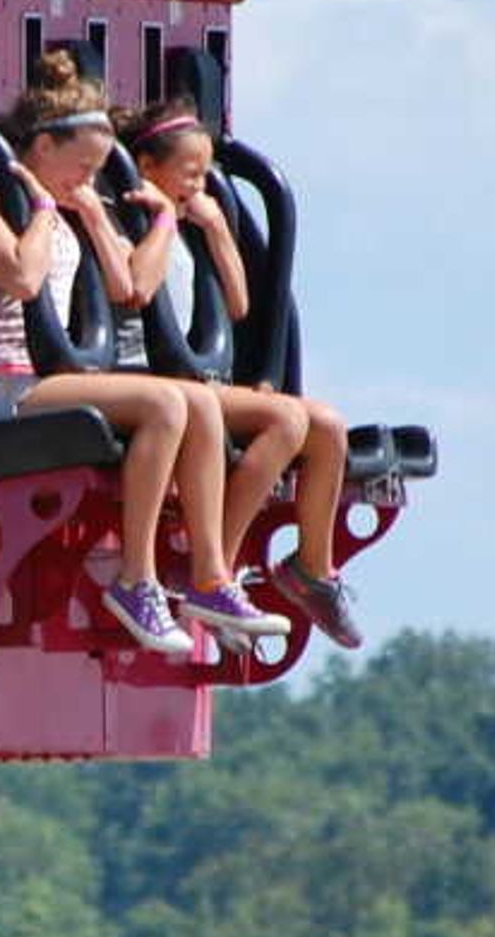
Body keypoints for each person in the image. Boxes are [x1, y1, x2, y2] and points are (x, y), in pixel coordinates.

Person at [0, 73, 265, 659]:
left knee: (195, 400)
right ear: (42, 149)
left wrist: (96, 214)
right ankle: (135, 579)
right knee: (166, 402)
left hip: (47, 378)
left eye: (97, 170)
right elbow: (21, 279)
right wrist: (47, 209)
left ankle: (209, 578)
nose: (87, 181)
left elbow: (128, 286)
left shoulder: (72, 203)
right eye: (81, 167)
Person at [115, 98, 363, 650]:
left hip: (194, 380)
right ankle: (215, 571)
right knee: (283, 422)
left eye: (206, 175)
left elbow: (239, 302)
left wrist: (216, 229)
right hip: (150, 376)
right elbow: (139, 292)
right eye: (190, 174)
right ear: (148, 167)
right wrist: (160, 219)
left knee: (325, 426)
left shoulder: (191, 220)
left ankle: (311, 571)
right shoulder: (134, 211)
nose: (198, 185)